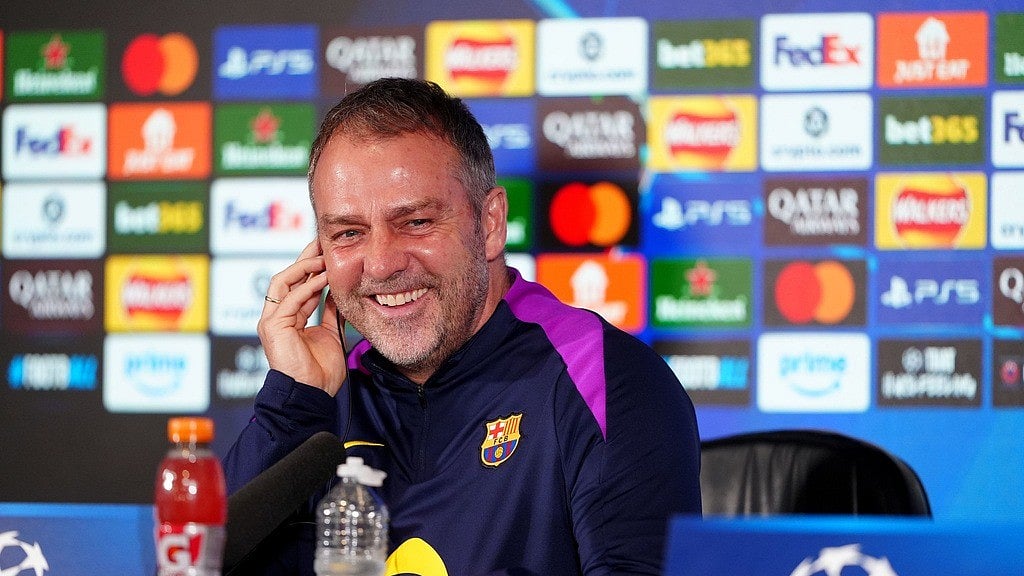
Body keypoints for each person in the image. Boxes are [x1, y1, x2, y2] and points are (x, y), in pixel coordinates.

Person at [223, 77, 702, 576]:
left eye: (416, 222)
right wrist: (293, 404)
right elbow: (204, 562)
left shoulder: (602, 377)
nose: (381, 263)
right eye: (348, 233)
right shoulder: (320, 396)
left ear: (490, 223)